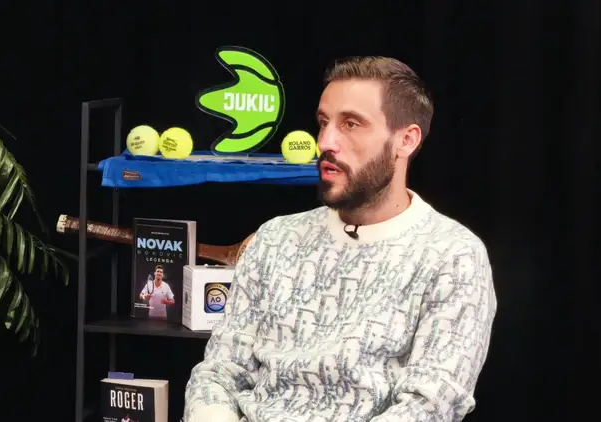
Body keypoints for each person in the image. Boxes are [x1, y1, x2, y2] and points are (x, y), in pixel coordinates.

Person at [184, 56, 497, 422]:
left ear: (406, 140)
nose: (325, 142)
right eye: (323, 122)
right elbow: (218, 373)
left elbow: (429, 405)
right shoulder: (275, 239)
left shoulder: (453, 255)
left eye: (351, 124)